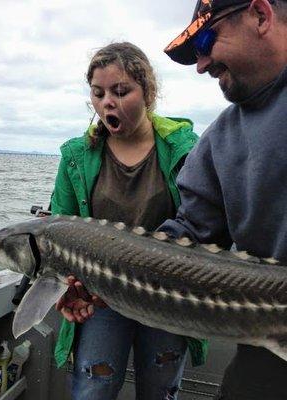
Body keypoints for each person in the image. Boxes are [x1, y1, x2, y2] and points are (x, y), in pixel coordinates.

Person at [51, 42, 208, 400]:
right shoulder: (76, 156)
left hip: (169, 296)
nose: (108, 101)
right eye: (98, 93)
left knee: (161, 392)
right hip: (102, 296)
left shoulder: (186, 150)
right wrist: (69, 288)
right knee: (94, 388)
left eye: (121, 91)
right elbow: (58, 233)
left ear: (148, 93)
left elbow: (204, 226)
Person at [161, 0, 287, 399]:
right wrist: (95, 274)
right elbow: (191, 236)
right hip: (267, 345)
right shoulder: (218, 140)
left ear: (261, 16)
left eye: (206, 39)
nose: (201, 65)